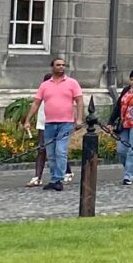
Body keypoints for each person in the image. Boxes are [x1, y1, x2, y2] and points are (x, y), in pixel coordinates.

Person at [27, 54, 84, 193]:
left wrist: (79, 119)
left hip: (66, 122)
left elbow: (79, 101)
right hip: (49, 123)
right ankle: (54, 179)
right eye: (58, 65)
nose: (61, 67)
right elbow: (36, 103)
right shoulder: (45, 85)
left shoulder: (72, 83)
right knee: (51, 153)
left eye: (63, 65)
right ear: (52, 67)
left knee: (60, 150)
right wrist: (28, 119)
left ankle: (58, 179)